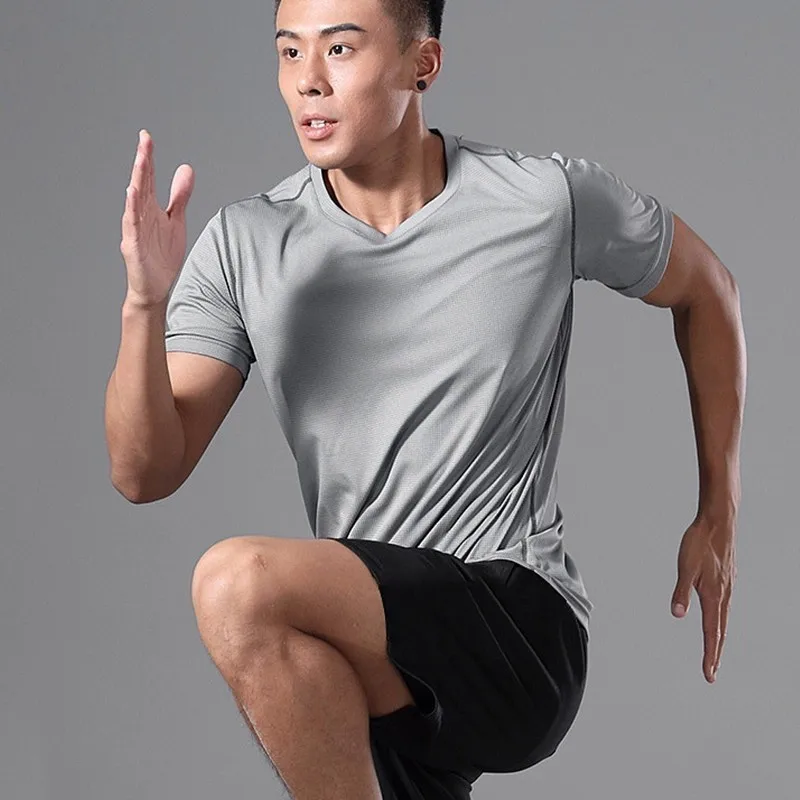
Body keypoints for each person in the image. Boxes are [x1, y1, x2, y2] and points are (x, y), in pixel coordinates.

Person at [106, 0, 741, 797]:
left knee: (236, 583)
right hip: (370, 656)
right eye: (289, 52)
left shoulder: (542, 200)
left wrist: (718, 511)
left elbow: (708, 290)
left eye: (340, 49)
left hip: (517, 625)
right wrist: (145, 304)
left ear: (422, 64)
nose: (308, 82)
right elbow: (144, 472)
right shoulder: (245, 244)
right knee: (295, 650)